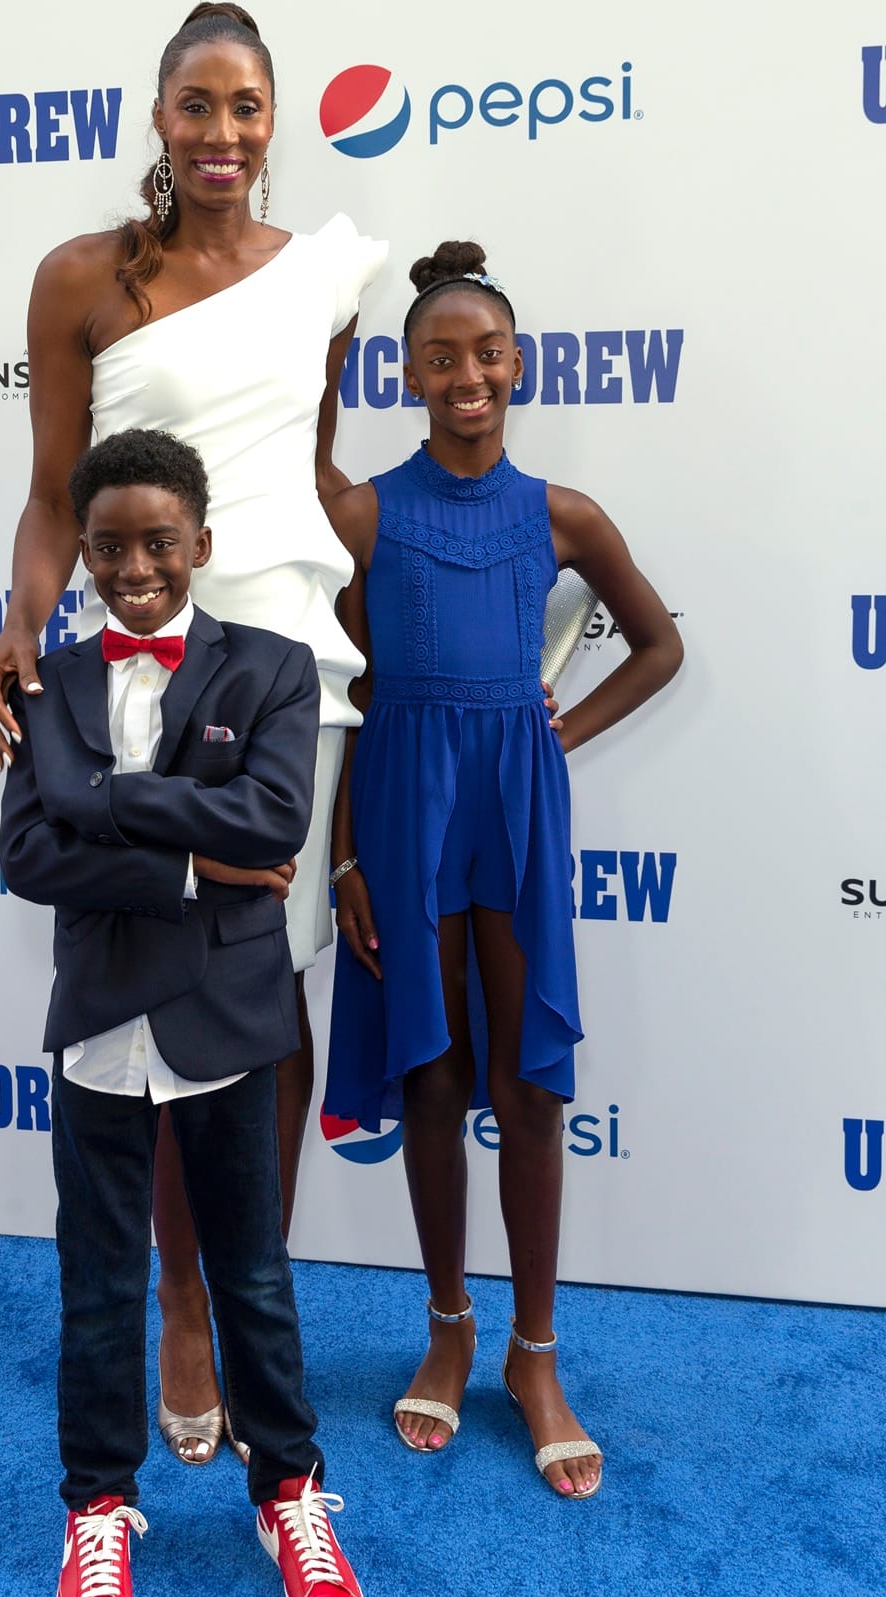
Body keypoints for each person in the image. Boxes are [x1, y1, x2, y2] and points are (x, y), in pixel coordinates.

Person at [0, 1, 386, 1466]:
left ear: (279, 120)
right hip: (134, 669)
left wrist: (417, 599)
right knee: (148, 981)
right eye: (197, 105)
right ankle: (178, 1308)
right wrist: (25, 623)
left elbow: (320, 478)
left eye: (248, 107)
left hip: (290, 675)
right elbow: (46, 493)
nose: (224, 134)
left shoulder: (323, 280)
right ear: (160, 119)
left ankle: (231, 1284)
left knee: (264, 1009)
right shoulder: (81, 278)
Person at [323, 241, 684, 1498]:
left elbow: (657, 646)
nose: (466, 373)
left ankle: (535, 1354)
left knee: (527, 1081)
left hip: (516, 803)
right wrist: (348, 855)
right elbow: (345, 696)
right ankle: (447, 1326)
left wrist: (559, 734)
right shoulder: (364, 510)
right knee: (432, 1072)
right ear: (408, 373)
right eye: (440, 355)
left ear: (518, 364)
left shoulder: (561, 514)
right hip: (403, 800)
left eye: (487, 353)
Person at [0, 429, 366, 1597]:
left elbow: (273, 815)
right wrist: (193, 856)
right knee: (99, 1283)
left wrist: (100, 804)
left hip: (227, 1015)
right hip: (103, 1021)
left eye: (160, 541)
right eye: (109, 546)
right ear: (86, 556)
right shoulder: (46, 680)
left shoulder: (268, 664)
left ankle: (289, 1493)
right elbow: (28, 854)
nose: (136, 565)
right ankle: (98, 1506)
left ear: (201, 544)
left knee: (251, 1271)